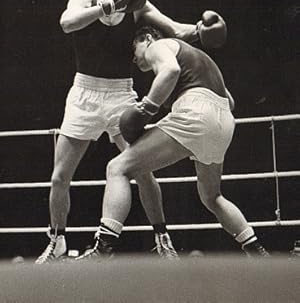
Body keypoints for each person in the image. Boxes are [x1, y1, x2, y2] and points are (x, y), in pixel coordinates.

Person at [36, 0, 227, 263]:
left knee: (141, 169)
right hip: (84, 93)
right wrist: (106, 5)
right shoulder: (83, 1)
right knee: (59, 177)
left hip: (121, 95)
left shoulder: (138, 5)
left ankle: (162, 238)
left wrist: (202, 30)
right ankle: (56, 241)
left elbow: (175, 29)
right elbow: (67, 23)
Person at [81, 26, 269, 259]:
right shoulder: (199, 56)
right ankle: (256, 250)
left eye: (135, 48)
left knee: (117, 168)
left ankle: (103, 248)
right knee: (212, 197)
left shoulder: (159, 46)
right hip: (224, 123)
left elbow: (170, 70)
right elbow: (229, 102)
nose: (134, 56)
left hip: (197, 113)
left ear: (148, 39)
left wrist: (146, 107)